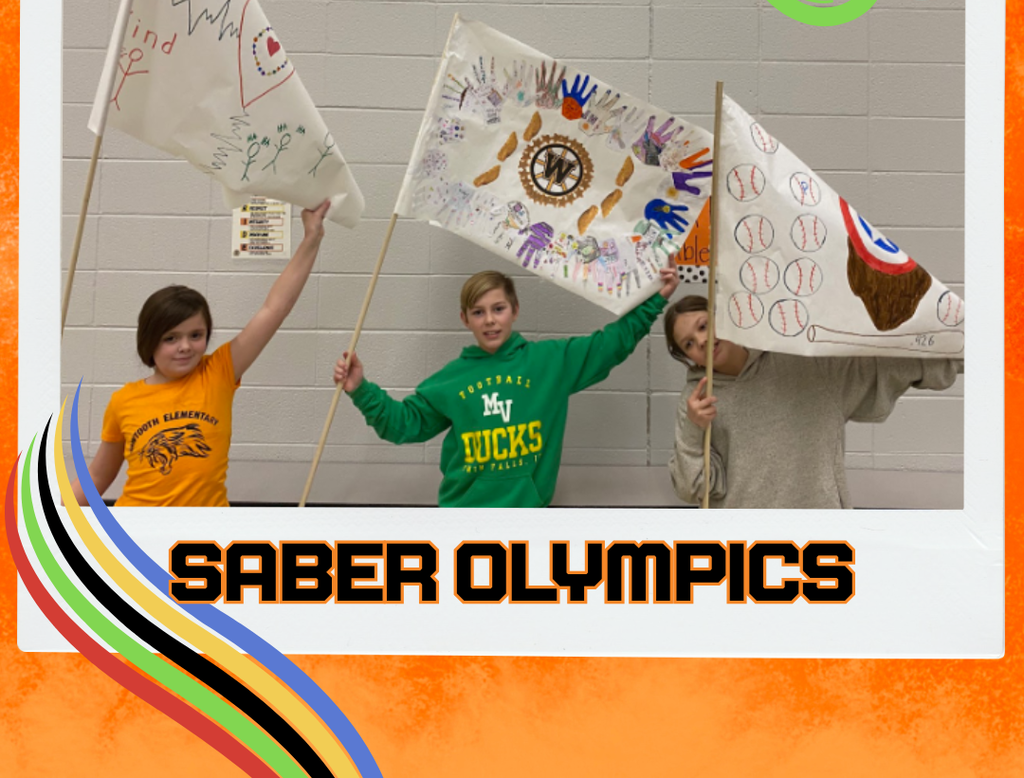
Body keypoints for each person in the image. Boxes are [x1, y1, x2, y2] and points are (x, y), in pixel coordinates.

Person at [333, 267, 680, 507]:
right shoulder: (449, 380)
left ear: (514, 310)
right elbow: (401, 425)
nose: (489, 320)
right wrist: (361, 389)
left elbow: (610, 344)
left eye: (498, 309)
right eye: (478, 312)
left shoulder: (550, 363)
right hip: (461, 516)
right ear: (465, 319)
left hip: (528, 517)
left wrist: (655, 299)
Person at [71, 200, 331, 507]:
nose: (185, 346)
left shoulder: (218, 371)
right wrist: (53, 513)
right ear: (149, 342)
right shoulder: (123, 401)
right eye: (171, 338)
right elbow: (99, 476)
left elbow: (274, 309)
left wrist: (311, 238)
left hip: (207, 532)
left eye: (196, 335)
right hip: (137, 531)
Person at [664, 294, 963, 509]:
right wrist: (694, 430)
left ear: (723, 317)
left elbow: (883, 365)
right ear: (686, 357)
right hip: (744, 547)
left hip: (819, 536)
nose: (701, 341)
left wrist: (965, 344)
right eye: (688, 343)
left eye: (703, 326)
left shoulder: (803, 364)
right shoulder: (697, 404)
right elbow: (694, 489)